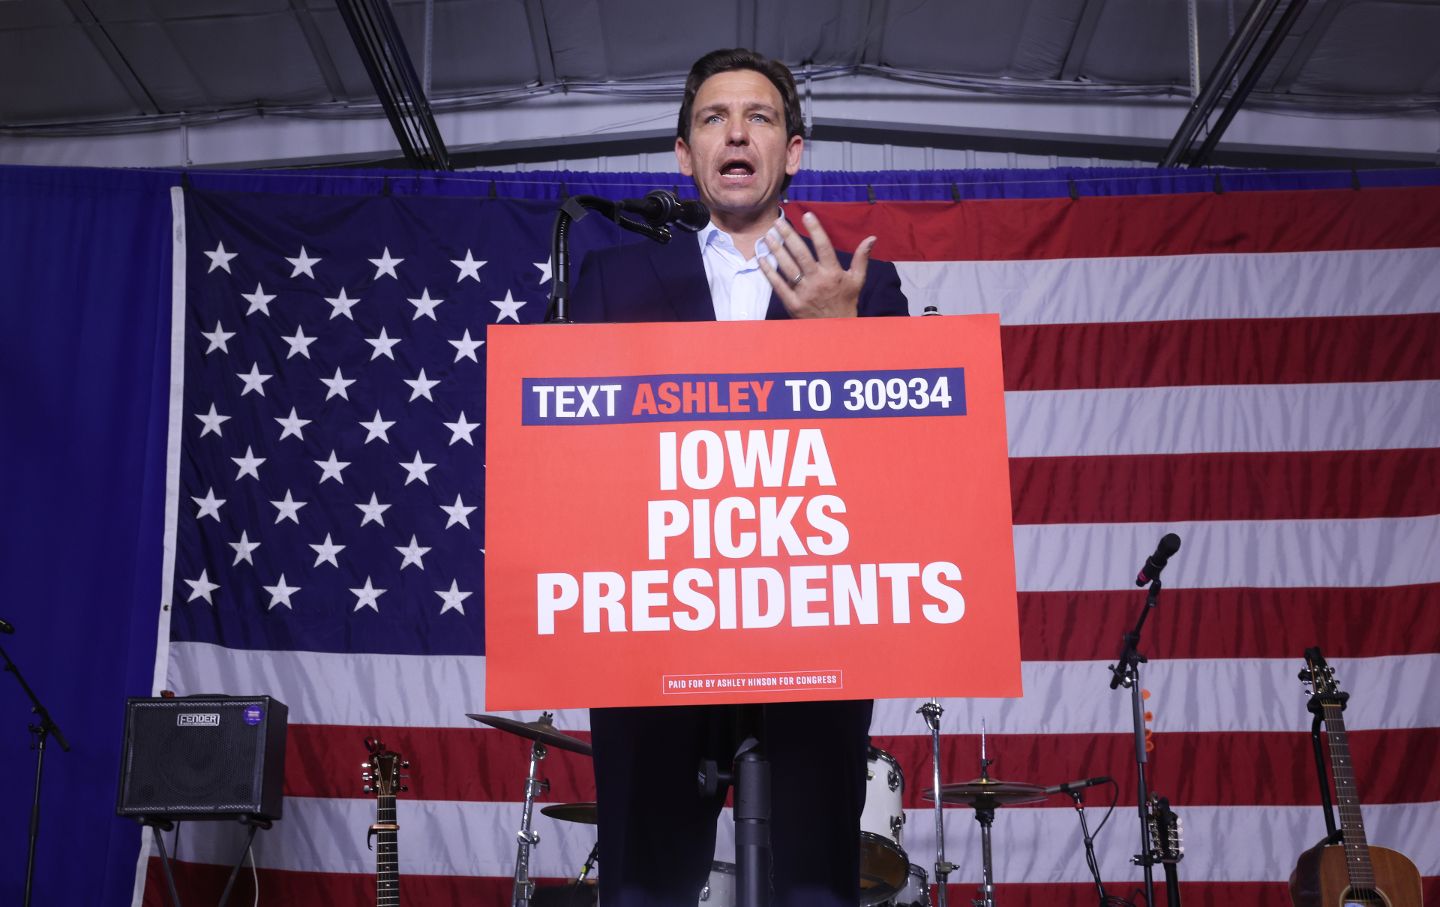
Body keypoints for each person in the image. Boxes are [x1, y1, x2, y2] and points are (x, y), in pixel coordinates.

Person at [571, 48, 910, 907]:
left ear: (792, 151)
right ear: (685, 155)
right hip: (654, 639)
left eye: (758, 117)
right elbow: (580, 460)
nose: (736, 132)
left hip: (808, 636)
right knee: (643, 889)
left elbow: (902, 471)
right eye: (714, 118)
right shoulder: (607, 279)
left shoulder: (865, 287)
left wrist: (842, 348)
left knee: (811, 888)